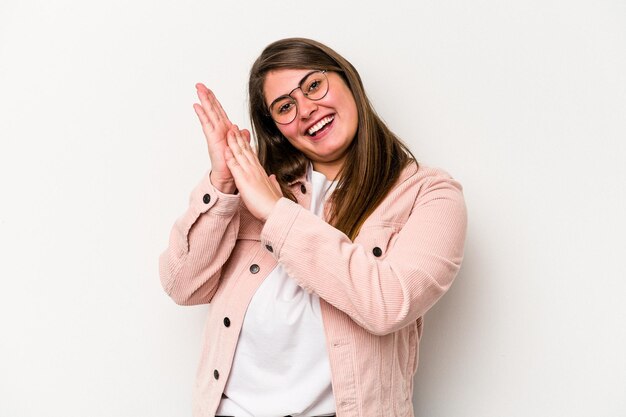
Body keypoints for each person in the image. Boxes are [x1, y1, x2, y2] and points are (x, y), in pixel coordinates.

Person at [159, 38, 467, 417]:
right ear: (276, 129)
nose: (306, 109)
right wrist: (222, 185)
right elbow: (183, 285)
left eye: (313, 85)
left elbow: (389, 303)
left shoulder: (429, 195)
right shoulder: (258, 189)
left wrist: (276, 215)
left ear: (346, 80)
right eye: (285, 107)